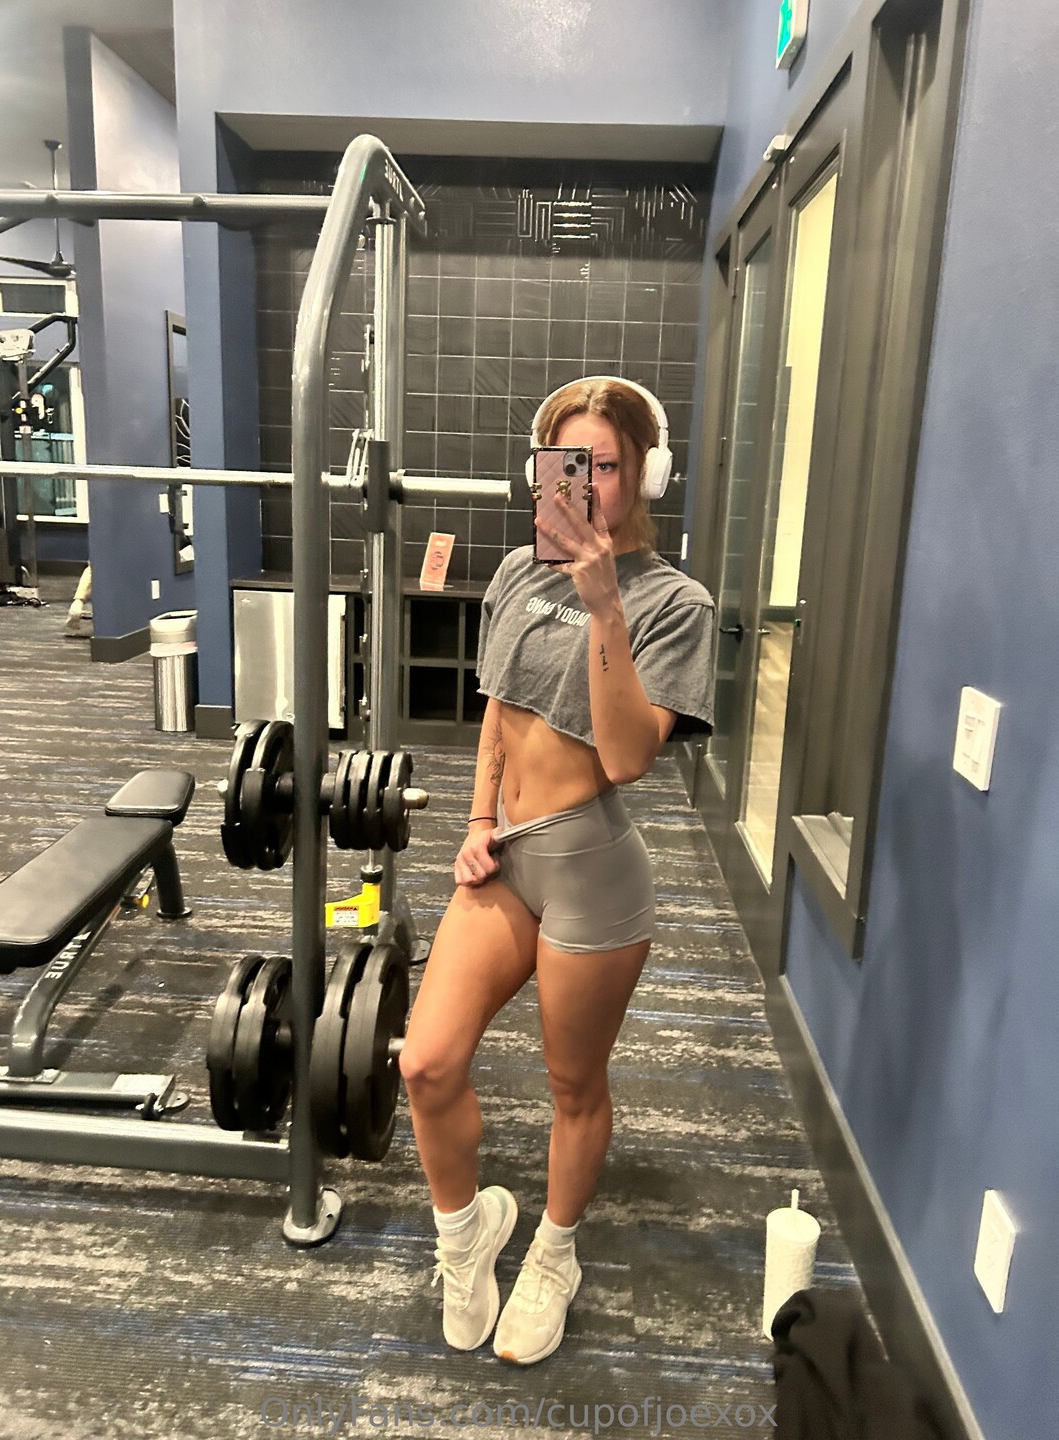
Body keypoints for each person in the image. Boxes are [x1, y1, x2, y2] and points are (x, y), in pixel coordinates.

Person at [399, 376, 715, 1365]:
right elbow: (498, 708)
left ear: (644, 475)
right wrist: (477, 818)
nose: (584, 487)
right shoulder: (514, 573)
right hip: (507, 860)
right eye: (566, 465)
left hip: (591, 870)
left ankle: (555, 1253)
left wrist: (605, 606)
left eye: (605, 466)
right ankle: (467, 1236)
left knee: (573, 1084)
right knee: (425, 1062)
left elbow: (626, 758)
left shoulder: (675, 603)